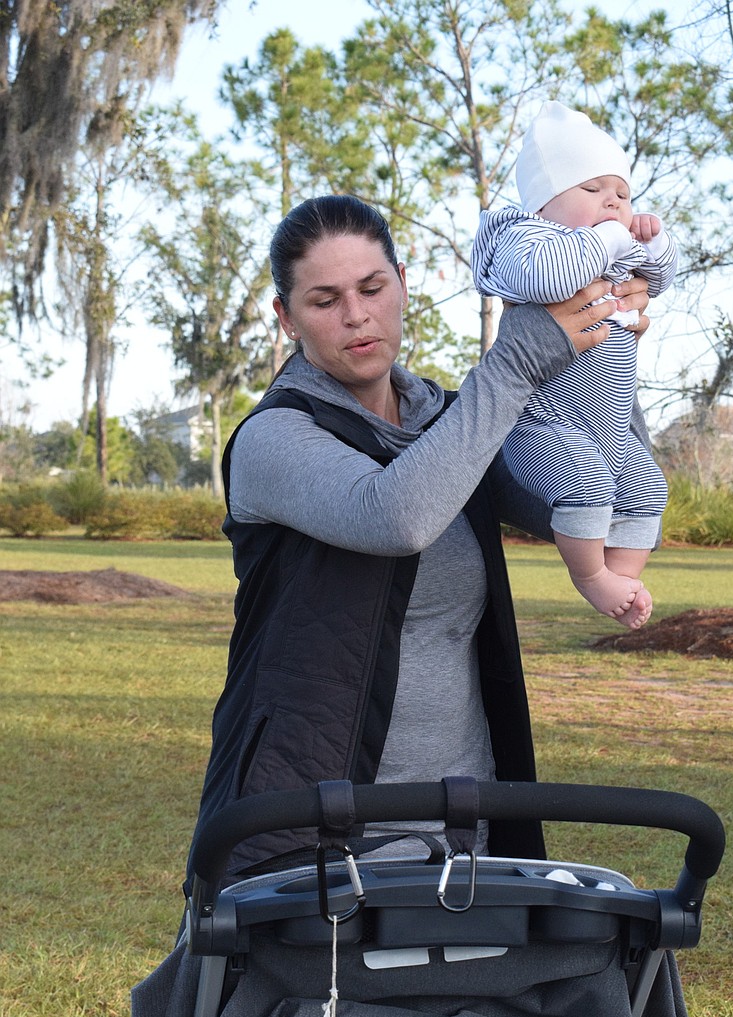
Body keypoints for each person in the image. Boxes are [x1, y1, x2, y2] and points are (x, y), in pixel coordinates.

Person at [184, 192, 651, 887]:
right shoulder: (273, 438)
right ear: (287, 319)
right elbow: (396, 515)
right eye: (324, 299)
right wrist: (515, 362)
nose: (356, 314)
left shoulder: (449, 418)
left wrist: (608, 357)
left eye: (373, 288)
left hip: (461, 819)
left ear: (403, 284)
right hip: (313, 831)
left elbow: (577, 494)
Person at [472, 102, 678, 630]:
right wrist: (612, 236)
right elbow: (549, 279)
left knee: (648, 486)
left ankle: (623, 579)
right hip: (540, 424)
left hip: (608, 427)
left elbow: (661, 277)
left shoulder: (613, 248)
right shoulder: (530, 240)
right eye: (592, 190)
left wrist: (654, 241)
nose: (613, 201)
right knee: (583, 479)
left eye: (622, 193)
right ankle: (590, 577)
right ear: (545, 201)